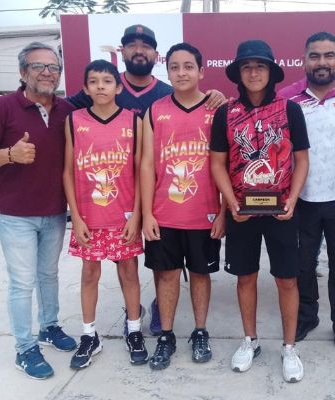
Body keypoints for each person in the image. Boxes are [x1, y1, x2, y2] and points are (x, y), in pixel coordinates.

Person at [67, 24, 225, 337]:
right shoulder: (108, 84)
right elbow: (65, 109)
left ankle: (164, 320)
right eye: (132, 45)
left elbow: (219, 152)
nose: (139, 50)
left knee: (164, 270)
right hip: (124, 200)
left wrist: (218, 96)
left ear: (155, 54)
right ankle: (138, 320)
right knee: (152, 269)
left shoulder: (169, 93)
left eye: (146, 45)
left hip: (163, 201)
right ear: (122, 51)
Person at [0, 42, 77, 380]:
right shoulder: (2, 107)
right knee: (22, 283)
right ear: (22, 72)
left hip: (54, 212)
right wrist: (9, 155)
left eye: (53, 67)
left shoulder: (66, 110)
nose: (47, 72)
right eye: (38, 66)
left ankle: (49, 327)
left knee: (49, 275)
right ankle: (24, 348)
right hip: (14, 215)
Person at [210, 39, 310, 383]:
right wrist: (230, 202)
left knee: (287, 279)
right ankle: (250, 340)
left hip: (282, 210)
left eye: (260, 66)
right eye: (247, 67)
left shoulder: (290, 110)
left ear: (271, 72)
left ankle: (289, 347)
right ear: (239, 73)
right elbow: (217, 163)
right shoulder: (225, 113)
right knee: (246, 277)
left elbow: (301, 159)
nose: (253, 73)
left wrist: (293, 199)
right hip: (242, 211)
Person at [279, 32, 335, 351]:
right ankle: (306, 316)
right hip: (301, 197)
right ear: (304, 60)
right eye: (314, 56)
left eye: (329, 55)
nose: (322, 62)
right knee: (303, 264)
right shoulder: (286, 98)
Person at [140, 43, 225, 370]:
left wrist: (223, 212)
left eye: (188, 66)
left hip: (204, 213)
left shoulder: (218, 109)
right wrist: (147, 213)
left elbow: (227, 165)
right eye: (174, 67)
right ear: (167, 72)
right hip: (165, 213)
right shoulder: (154, 111)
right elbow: (146, 165)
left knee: (201, 274)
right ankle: (166, 335)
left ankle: (200, 331)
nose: (181, 73)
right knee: (167, 276)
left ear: (201, 71)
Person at [63, 60, 149, 369]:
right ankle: (89, 335)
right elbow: (68, 172)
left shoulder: (134, 121)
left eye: (107, 80)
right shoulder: (74, 120)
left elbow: (141, 172)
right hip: (89, 217)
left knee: (129, 272)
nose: (100, 86)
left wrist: (136, 215)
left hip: (123, 216)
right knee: (89, 274)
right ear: (85, 88)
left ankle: (134, 330)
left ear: (118, 86)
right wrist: (76, 217)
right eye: (94, 81)